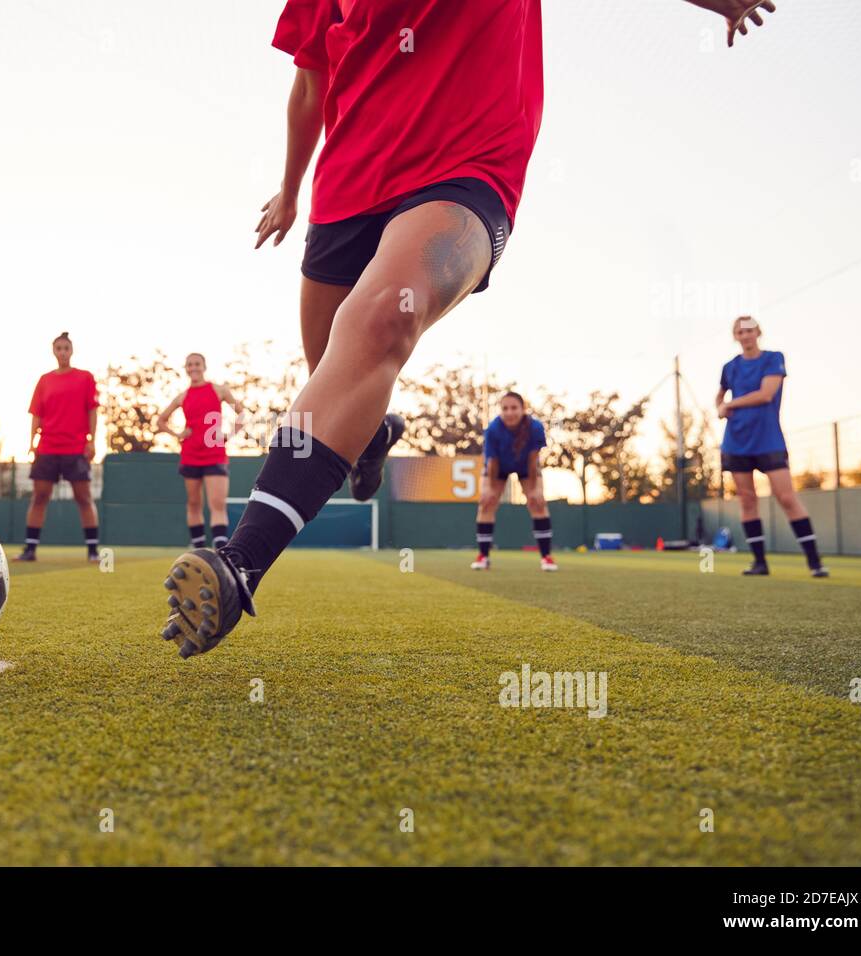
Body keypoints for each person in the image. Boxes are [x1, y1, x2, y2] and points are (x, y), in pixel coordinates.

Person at [159, 0, 780, 659]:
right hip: (346, 189)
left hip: (465, 168)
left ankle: (241, 563)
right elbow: (311, 85)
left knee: (381, 323)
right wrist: (289, 188)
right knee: (334, 379)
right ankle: (368, 437)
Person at [716, 315, 828, 577]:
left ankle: (814, 563)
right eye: (740, 332)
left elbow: (766, 394)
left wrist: (730, 404)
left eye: (749, 330)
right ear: (736, 336)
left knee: (787, 497)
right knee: (747, 499)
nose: (745, 335)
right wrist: (719, 406)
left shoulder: (773, 358)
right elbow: (720, 394)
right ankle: (759, 563)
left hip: (768, 440)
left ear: (758, 332)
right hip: (736, 441)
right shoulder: (729, 366)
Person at [15, 332, 101, 563]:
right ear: (54, 351)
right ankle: (30, 550)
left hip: (76, 448)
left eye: (66, 348)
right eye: (59, 348)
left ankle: (93, 551)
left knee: (83, 497)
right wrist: (32, 444)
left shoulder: (85, 378)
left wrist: (91, 440)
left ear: (71, 351)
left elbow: (92, 410)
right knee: (39, 497)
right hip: (47, 448)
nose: (62, 352)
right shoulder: (44, 380)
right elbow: (37, 415)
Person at [154, 353, 245, 549]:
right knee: (194, 504)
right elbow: (160, 420)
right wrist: (177, 434)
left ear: (204, 366)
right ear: (186, 368)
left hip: (215, 454)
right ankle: (198, 550)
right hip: (190, 455)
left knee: (217, 504)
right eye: (189, 364)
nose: (193, 367)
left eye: (197, 364)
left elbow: (242, 413)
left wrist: (229, 435)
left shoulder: (219, 390)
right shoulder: (182, 396)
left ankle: (220, 550)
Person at [472, 392, 556, 572]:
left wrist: (535, 490)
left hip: (526, 465)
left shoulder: (535, 428)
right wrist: (489, 490)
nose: (509, 412)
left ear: (523, 409)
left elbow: (533, 460)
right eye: (505, 408)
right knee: (486, 503)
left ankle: (546, 557)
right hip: (498, 466)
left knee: (538, 502)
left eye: (514, 408)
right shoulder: (493, 429)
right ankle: (483, 556)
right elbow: (492, 463)